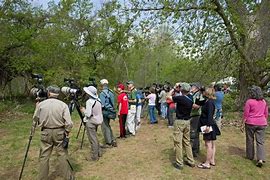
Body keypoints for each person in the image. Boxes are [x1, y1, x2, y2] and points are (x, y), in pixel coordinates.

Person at [32, 86, 74, 180]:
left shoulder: (41, 104)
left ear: (49, 93)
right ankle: (67, 177)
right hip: (59, 131)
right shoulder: (63, 105)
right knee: (62, 154)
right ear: (57, 94)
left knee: (44, 156)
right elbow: (69, 122)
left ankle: (42, 178)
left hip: (45, 132)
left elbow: (35, 118)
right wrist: (67, 132)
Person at [168, 82, 195, 170]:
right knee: (187, 141)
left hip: (179, 121)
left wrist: (174, 88)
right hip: (187, 121)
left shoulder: (181, 98)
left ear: (181, 89)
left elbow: (168, 97)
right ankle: (191, 161)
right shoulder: (190, 97)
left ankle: (179, 163)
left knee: (178, 142)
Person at [242, 85, 268, 167]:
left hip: (251, 123)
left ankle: (250, 156)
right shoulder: (264, 102)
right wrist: (263, 119)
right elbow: (266, 113)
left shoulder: (249, 102)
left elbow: (246, 114)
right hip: (262, 123)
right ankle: (260, 159)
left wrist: (242, 123)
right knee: (260, 142)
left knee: (250, 139)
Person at [198, 88, 220, 169]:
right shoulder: (207, 101)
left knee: (208, 144)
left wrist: (208, 125)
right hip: (207, 124)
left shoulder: (210, 103)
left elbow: (210, 115)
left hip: (208, 125)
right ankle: (211, 160)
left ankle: (207, 163)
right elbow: (199, 101)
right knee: (211, 143)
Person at [80, 86, 103, 161]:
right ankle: (99, 152)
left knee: (92, 139)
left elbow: (88, 114)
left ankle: (94, 156)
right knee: (95, 137)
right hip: (97, 120)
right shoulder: (98, 100)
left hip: (91, 121)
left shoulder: (89, 101)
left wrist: (83, 110)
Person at [99, 79, 117, 147]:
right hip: (110, 111)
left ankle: (108, 142)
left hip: (105, 111)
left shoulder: (102, 93)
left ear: (102, 85)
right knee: (108, 125)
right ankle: (113, 139)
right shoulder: (111, 92)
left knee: (105, 126)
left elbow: (102, 104)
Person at [190, 83, 204, 157]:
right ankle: (195, 149)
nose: (191, 87)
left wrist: (188, 104)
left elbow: (198, 106)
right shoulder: (194, 94)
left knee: (194, 133)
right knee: (194, 133)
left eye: (192, 86)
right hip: (193, 115)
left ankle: (194, 150)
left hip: (196, 116)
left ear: (197, 88)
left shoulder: (199, 95)